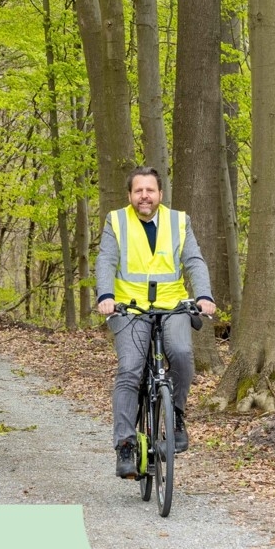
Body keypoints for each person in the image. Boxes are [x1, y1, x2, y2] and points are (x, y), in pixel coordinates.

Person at [95, 166, 216, 479]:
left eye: (150, 190)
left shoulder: (179, 221)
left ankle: (175, 415)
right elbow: (106, 260)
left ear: (160, 194)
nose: (144, 196)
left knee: (182, 353)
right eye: (138, 191)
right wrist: (106, 295)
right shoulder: (116, 221)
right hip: (129, 309)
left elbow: (194, 261)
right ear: (130, 195)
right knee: (130, 369)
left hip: (173, 305)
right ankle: (124, 443)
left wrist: (203, 295)